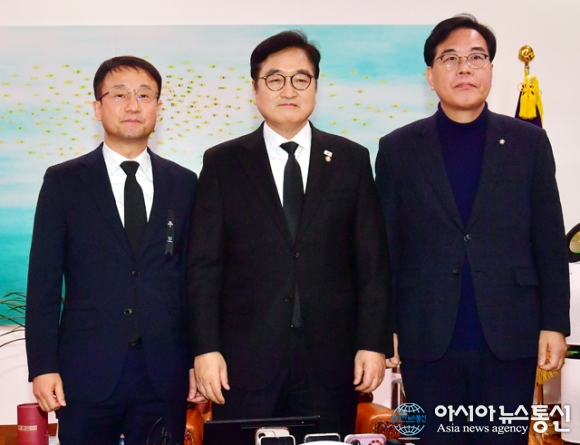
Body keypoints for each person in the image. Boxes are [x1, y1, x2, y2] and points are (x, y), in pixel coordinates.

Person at [186, 30, 393, 437]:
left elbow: (371, 261)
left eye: (301, 78)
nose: (288, 89)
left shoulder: (351, 159)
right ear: (255, 89)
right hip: (243, 363)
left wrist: (373, 342)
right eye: (275, 79)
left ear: (315, 86)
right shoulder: (223, 163)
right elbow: (203, 266)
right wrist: (205, 349)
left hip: (331, 363)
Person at [375, 14, 570, 445]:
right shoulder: (397, 149)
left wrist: (555, 323)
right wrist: (384, 328)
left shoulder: (528, 143)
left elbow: (549, 241)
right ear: (430, 75)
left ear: (491, 70)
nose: (465, 68)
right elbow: (386, 248)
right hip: (427, 337)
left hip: (511, 335)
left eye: (476, 57)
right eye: (450, 59)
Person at [25, 56, 197, 445]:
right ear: (97, 107)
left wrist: (194, 360)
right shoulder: (64, 181)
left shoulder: (184, 183)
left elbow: (193, 280)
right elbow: (44, 283)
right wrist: (43, 367)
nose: (133, 105)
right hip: (86, 372)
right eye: (119, 95)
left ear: (158, 108)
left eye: (144, 95)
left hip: (164, 371)